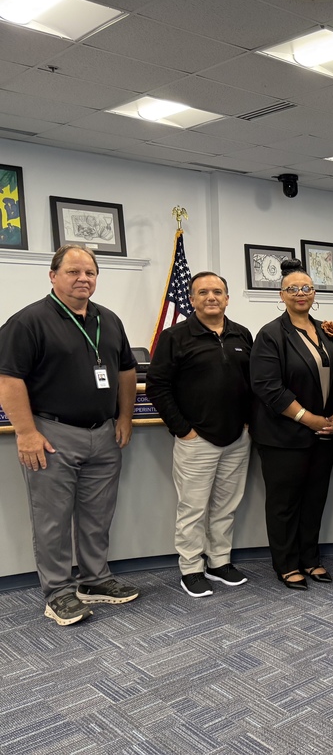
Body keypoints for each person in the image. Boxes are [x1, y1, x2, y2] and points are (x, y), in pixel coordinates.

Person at [0, 245, 140, 625]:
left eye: (90, 273)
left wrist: (125, 417)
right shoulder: (28, 322)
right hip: (52, 435)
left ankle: (94, 580)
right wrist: (26, 432)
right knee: (52, 520)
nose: (83, 279)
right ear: (53, 276)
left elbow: (126, 371)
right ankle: (58, 593)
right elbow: (8, 379)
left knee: (98, 515)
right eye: (73, 272)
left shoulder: (108, 320)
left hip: (103, 434)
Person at [146, 271, 254, 598]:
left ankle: (219, 562)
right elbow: (157, 386)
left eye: (217, 292)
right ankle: (191, 568)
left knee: (226, 506)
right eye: (203, 292)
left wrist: (247, 422)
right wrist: (184, 430)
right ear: (192, 299)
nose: (211, 297)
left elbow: (252, 383)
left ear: (227, 298)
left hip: (237, 438)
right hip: (197, 440)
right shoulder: (175, 337)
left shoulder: (242, 334)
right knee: (192, 509)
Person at [250, 259, 333, 591]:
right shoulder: (271, 335)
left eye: (306, 288)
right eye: (293, 289)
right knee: (285, 504)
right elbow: (267, 387)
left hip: (326, 433)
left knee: (314, 500)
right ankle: (287, 564)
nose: (300, 293)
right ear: (282, 295)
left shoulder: (328, 332)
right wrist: (309, 418)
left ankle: (310, 559)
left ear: (314, 293)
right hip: (283, 436)